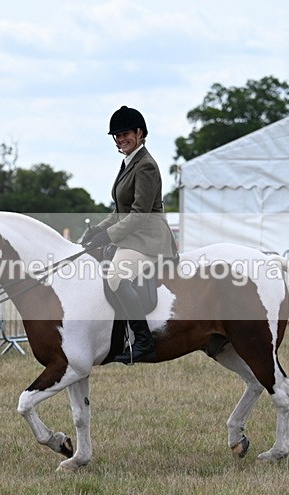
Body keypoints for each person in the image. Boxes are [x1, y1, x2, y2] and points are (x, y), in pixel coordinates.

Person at [81, 106, 177, 364]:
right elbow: (119, 211)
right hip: (132, 237)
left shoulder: (145, 165)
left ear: (140, 133)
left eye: (125, 134)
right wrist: (99, 230)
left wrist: (108, 236)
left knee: (115, 276)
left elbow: (139, 215)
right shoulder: (129, 162)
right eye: (117, 135)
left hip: (148, 240)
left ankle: (144, 342)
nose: (121, 139)